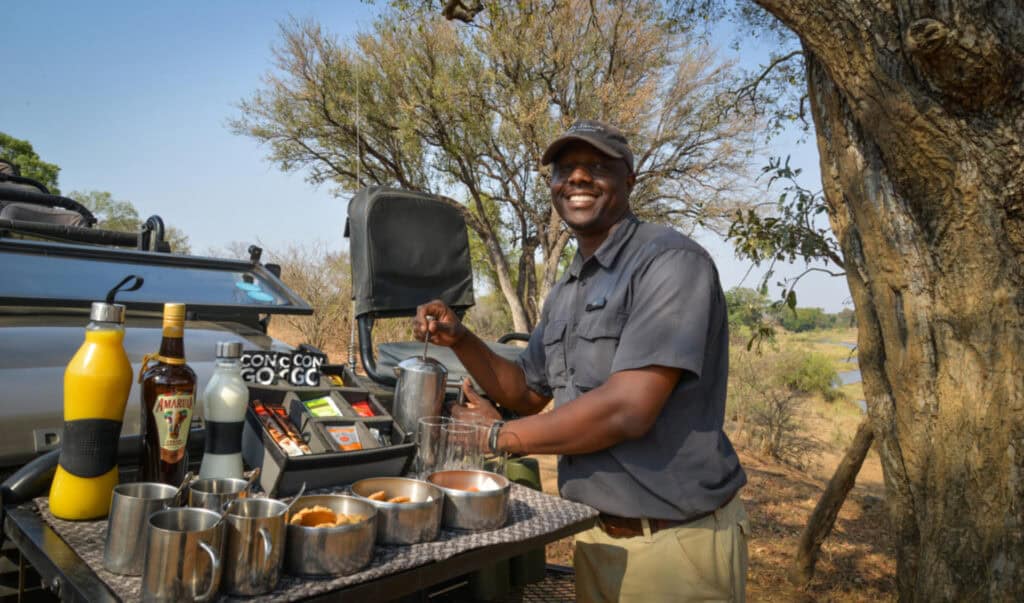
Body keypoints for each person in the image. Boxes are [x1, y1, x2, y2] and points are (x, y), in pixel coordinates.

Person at [413, 119, 748, 602]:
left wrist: (494, 436)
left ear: (629, 179)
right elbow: (526, 391)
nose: (577, 177)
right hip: (594, 537)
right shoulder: (570, 287)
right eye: (564, 168)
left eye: (596, 166)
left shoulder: (670, 262)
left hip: (674, 546)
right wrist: (461, 339)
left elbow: (626, 409)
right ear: (552, 185)